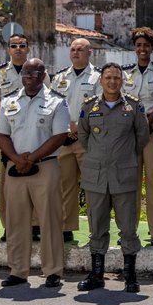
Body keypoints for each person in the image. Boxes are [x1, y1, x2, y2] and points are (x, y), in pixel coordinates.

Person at [75, 63, 150, 293]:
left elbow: (142, 136)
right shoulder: (89, 106)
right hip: (96, 176)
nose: (112, 82)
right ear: (101, 81)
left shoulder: (133, 107)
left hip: (123, 175)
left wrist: (123, 156)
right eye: (108, 77)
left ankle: (129, 275)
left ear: (122, 81)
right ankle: (97, 274)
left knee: (128, 227)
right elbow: (83, 135)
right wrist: (101, 156)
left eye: (117, 78)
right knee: (97, 226)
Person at [0, 59, 70, 287]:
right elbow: (2, 135)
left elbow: (59, 136)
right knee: (16, 221)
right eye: (26, 72)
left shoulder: (57, 102)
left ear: (44, 74)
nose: (29, 76)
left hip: (45, 167)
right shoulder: (9, 101)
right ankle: (18, 270)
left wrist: (32, 158)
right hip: (16, 168)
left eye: (35, 72)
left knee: (50, 220)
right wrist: (18, 159)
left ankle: (53, 271)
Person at [123, 26, 153, 247]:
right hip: (129, 136)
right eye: (138, 45)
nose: (142, 49)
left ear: (152, 48)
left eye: (146, 45)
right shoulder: (125, 73)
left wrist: (145, 123)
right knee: (131, 183)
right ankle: (129, 229)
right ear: (134, 48)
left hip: (152, 134)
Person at [50, 38, 100, 243]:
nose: (76, 52)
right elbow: (52, 104)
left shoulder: (98, 77)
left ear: (90, 53)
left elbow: (98, 107)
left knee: (92, 186)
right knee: (65, 185)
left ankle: (96, 228)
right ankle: (66, 227)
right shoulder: (60, 77)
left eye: (81, 49)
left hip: (87, 139)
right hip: (63, 140)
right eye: (73, 49)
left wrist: (78, 128)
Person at [0, 33, 39, 241]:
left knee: (37, 179)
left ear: (28, 48)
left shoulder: (39, 71)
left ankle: (35, 225)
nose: (18, 49)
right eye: (14, 46)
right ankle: (9, 226)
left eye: (22, 45)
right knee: (7, 183)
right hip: (9, 135)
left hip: (35, 133)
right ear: (8, 49)